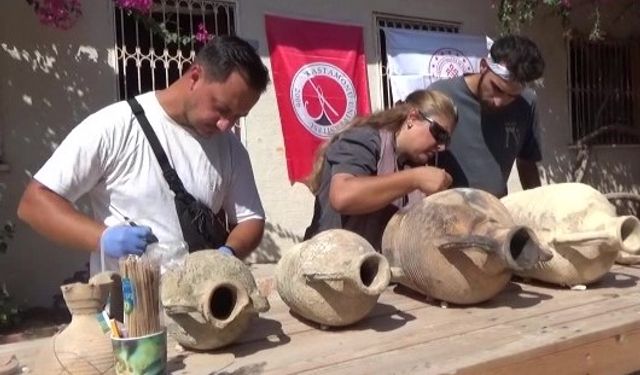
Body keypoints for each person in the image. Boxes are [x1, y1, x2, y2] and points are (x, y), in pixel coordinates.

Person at [17, 36, 270, 274]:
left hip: (199, 312)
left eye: (238, 116)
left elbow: (251, 219)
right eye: (222, 109)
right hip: (128, 314)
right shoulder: (114, 126)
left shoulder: (229, 147)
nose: (226, 125)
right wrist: (102, 238)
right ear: (194, 77)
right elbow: (34, 203)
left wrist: (228, 252)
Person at [304, 89, 458, 250]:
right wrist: (414, 179)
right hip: (328, 261)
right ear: (412, 118)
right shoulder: (365, 138)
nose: (441, 146)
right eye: (440, 135)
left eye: (446, 141)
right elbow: (342, 196)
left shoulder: (413, 162)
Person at [428, 34, 545, 197]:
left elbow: (527, 162)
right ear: (484, 66)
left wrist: (537, 206)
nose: (499, 102)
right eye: (497, 88)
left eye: (511, 96)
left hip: (494, 213)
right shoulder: (440, 95)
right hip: (445, 212)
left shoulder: (527, 103)